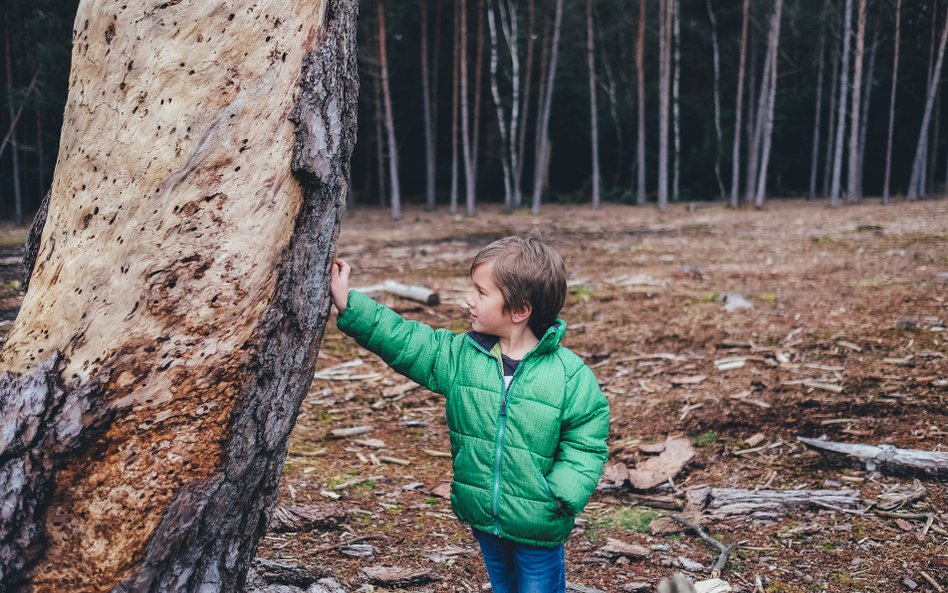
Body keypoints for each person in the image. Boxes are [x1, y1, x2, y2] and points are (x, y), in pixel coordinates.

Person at [329, 234, 610, 593]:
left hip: (539, 520)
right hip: (482, 513)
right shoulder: (463, 356)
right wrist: (350, 304)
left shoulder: (568, 374)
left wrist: (560, 493)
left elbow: (588, 439)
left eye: (481, 292)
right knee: (503, 586)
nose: (468, 300)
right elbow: (405, 340)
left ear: (520, 310)